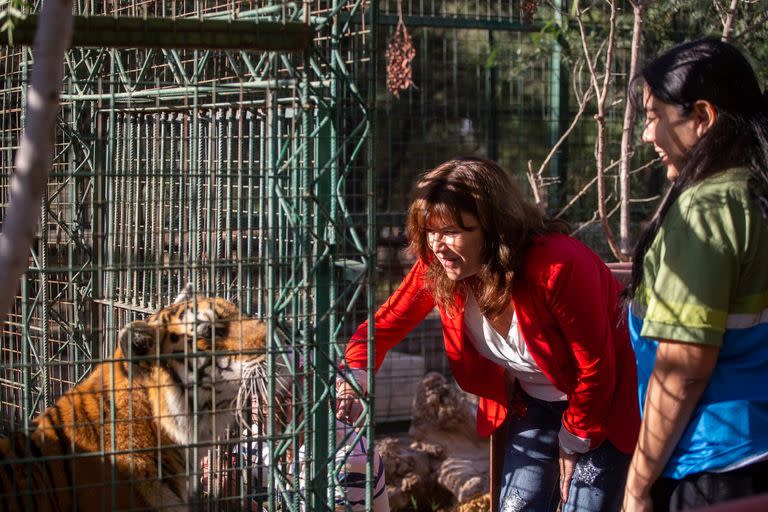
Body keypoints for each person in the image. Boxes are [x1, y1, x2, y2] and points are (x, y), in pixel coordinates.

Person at [337, 156, 640, 511]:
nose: (436, 243)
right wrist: (355, 377)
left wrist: (573, 440)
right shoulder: (438, 267)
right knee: (516, 505)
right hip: (536, 402)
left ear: (493, 227)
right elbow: (379, 330)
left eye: (450, 231)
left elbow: (598, 367)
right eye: (429, 230)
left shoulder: (557, 267)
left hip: (602, 404)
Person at [622, 38, 768, 512]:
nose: (647, 135)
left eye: (653, 115)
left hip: (712, 465)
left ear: (701, 118)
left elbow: (681, 371)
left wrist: (638, 485)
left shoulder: (707, 208)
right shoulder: (755, 189)